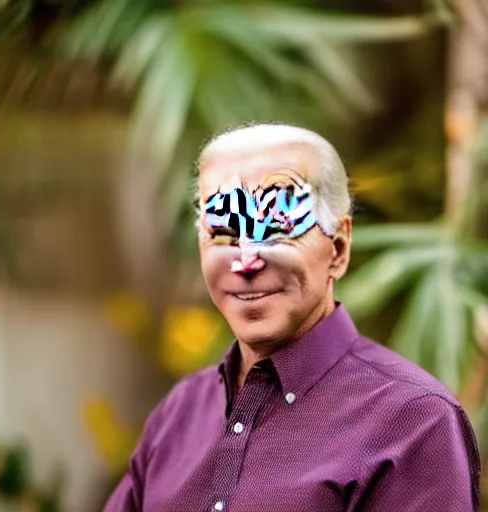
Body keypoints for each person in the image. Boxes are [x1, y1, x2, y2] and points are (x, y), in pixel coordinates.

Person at [104, 123, 480, 512]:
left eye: (279, 227)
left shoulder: (414, 423)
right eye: (225, 231)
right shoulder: (180, 413)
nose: (247, 260)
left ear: (338, 248)